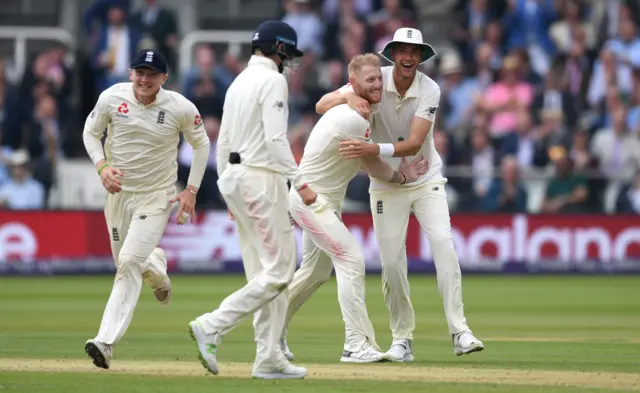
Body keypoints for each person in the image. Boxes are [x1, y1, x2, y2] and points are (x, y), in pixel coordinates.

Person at [315, 27, 484, 361]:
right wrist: (348, 96)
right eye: (402, 51)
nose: (408, 57)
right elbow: (322, 105)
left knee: (443, 246)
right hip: (386, 183)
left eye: (415, 52)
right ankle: (402, 339)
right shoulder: (375, 79)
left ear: (421, 57)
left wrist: (372, 147)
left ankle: (460, 331)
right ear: (393, 54)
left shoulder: (430, 88)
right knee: (392, 262)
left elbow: (415, 142)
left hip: (424, 177)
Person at [187, 20, 315, 380]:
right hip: (262, 178)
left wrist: (227, 185)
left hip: (236, 178)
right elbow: (276, 141)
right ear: (277, 49)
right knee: (280, 271)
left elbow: (223, 139)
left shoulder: (239, 80)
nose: (290, 61)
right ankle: (212, 325)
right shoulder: (273, 80)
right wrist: (300, 181)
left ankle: (269, 357)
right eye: (288, 53)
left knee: (264, 274)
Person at [281, 53, 428, 364]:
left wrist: (347, 95)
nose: (376, 84)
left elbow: (361, 155)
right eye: (369, 80)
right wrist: (404, 176)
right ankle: (354, 345)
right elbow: (370, 161)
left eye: (378, 78)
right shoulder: (353, 117)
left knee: (316, 271)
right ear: (353, 83)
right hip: (311, 199)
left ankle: (270, 327)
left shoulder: (358, 109)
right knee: (350, 258)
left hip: (322, 201)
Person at [82, 49, 211, 369]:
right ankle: (158, 269)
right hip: (118, 196)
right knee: (129, 262)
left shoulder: (180, 106)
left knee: (127, 262)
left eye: (152, 74)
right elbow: (90, 132)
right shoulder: (112, 98)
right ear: (130, 74)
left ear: (164, 78)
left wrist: (191, 191)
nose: (144, 79)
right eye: (139, 72)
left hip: (157, 196)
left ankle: (105, 342)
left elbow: (202, 144)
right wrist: (102, 167)